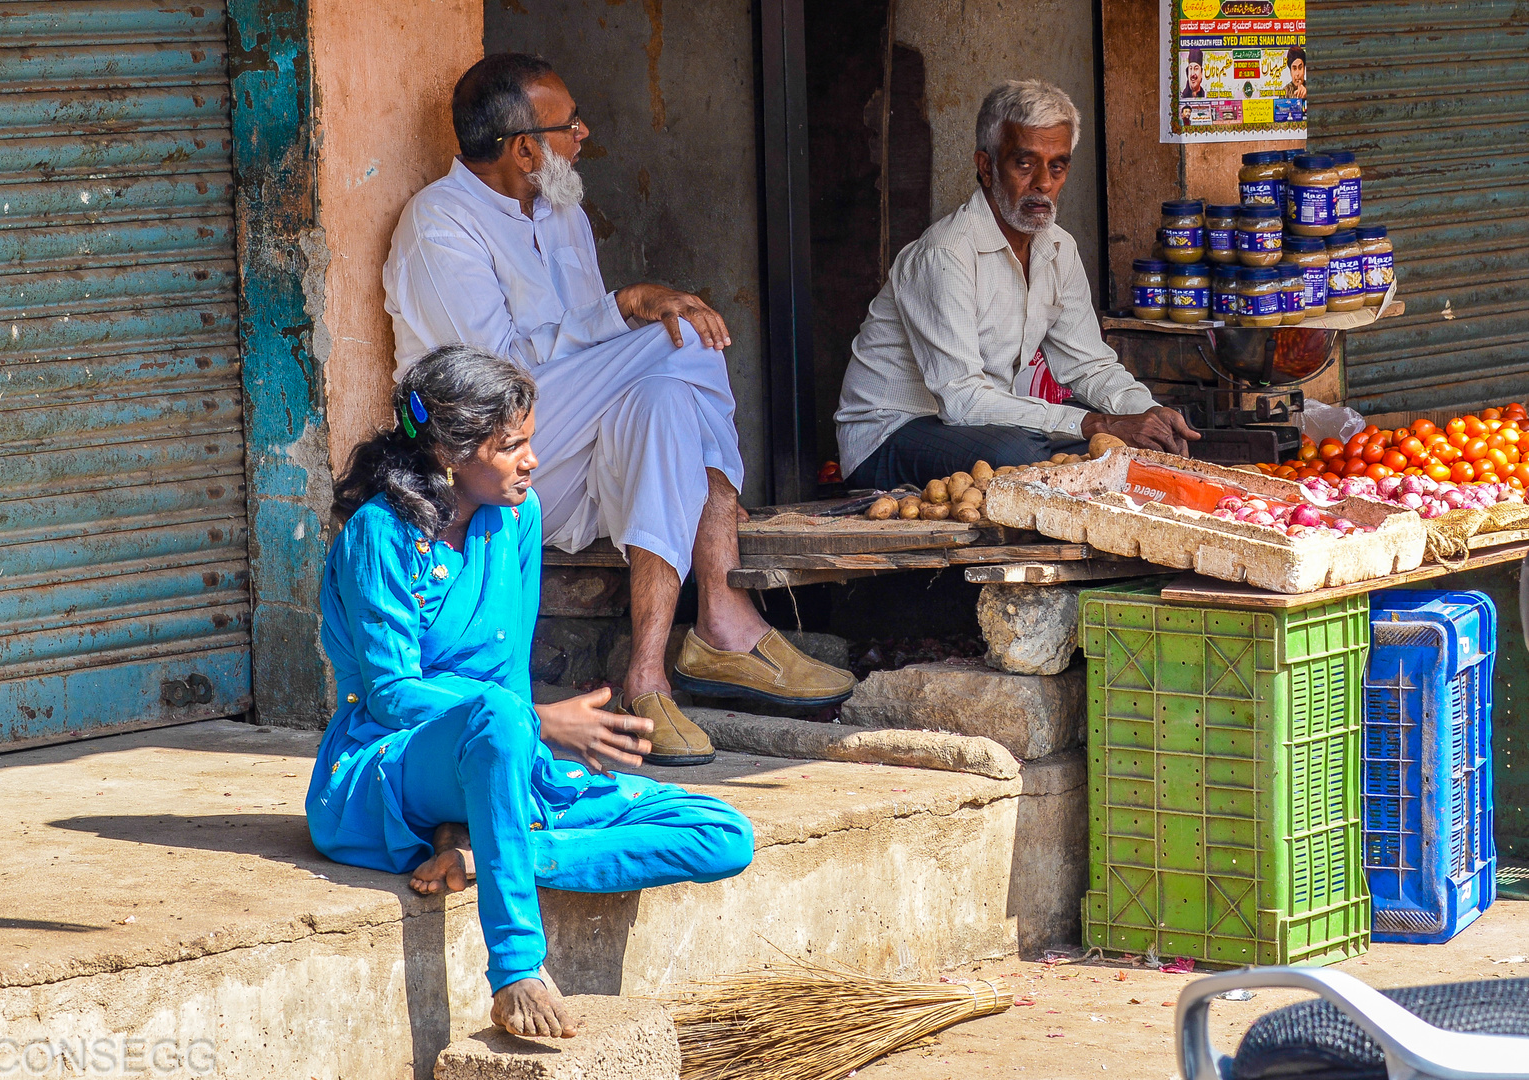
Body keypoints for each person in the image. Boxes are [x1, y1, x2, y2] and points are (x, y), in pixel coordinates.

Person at [383, 53, 854, 766]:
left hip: (567, 461)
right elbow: (491, 387)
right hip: (483, 468)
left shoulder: (561, 211)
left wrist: (620, 320)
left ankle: (649, 676)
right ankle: (723, 612)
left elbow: (603, 376)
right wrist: (622, 309)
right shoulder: (438, 228)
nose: (585, 134)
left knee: (665, 397)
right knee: (684, 338)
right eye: (569, 124)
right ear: (523, 148)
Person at [306, 343, 755, 1038]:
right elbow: (394, 696)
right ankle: (516, 967)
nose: (531, 461)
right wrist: (539, 723)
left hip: (503, 747)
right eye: (511, 446)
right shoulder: (380, 533)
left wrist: (533, 745)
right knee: (497, 716)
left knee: (723, 834)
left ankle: (499, 853)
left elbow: (508, 673)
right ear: (454, 453)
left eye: (528, 443)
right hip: (388, 767)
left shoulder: (518, 517)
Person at [835, 80, 1200, 491]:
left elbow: (1089, 365)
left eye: (1057, 166)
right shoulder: (946, 254)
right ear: (987, 166)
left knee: (1112, 442)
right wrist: (1098, 421)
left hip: (976, 426)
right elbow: (963, 400)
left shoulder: (1059, 249)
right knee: (1022, 454)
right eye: (1025, 164)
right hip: (890, 437)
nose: (1043, 183)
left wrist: (1152, 418)